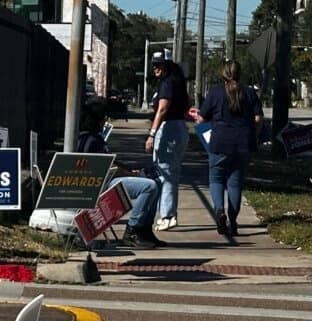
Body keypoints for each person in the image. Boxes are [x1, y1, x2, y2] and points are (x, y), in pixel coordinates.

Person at [77, 98, 164, 249]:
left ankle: (144, 230)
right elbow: (109, 168)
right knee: (149, 186)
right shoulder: (91, 141)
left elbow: (112, 162)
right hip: (101, 185)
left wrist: (130, 171)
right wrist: (134, 175)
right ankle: (133, 229)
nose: (105, 122)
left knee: (157, 181)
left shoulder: (93, 138)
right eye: (104, 118)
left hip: (107, 179)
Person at [190, 61, 263, 237]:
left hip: (219, 142)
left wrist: (195, 114)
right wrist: (254, 134)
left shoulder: (215, 92)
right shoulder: (249, 92)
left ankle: (219, 211)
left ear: (223, 74)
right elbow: (259, 118)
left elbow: (202, 119)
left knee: (216, 179)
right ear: (240, 74)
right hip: (243, 143)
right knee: (235, 183)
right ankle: (233, 222)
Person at [145, 52, 190, 232]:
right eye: (154, 64)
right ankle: (167, 213)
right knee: (170, 172)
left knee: (165, 173)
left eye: (160, 64)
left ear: (168, 65)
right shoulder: (177, 82)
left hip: (169, 129)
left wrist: (152, 134)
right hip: (179, 128)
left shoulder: (168, 83)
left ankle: (167, 215)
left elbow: (162, 109)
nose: (156, 68)